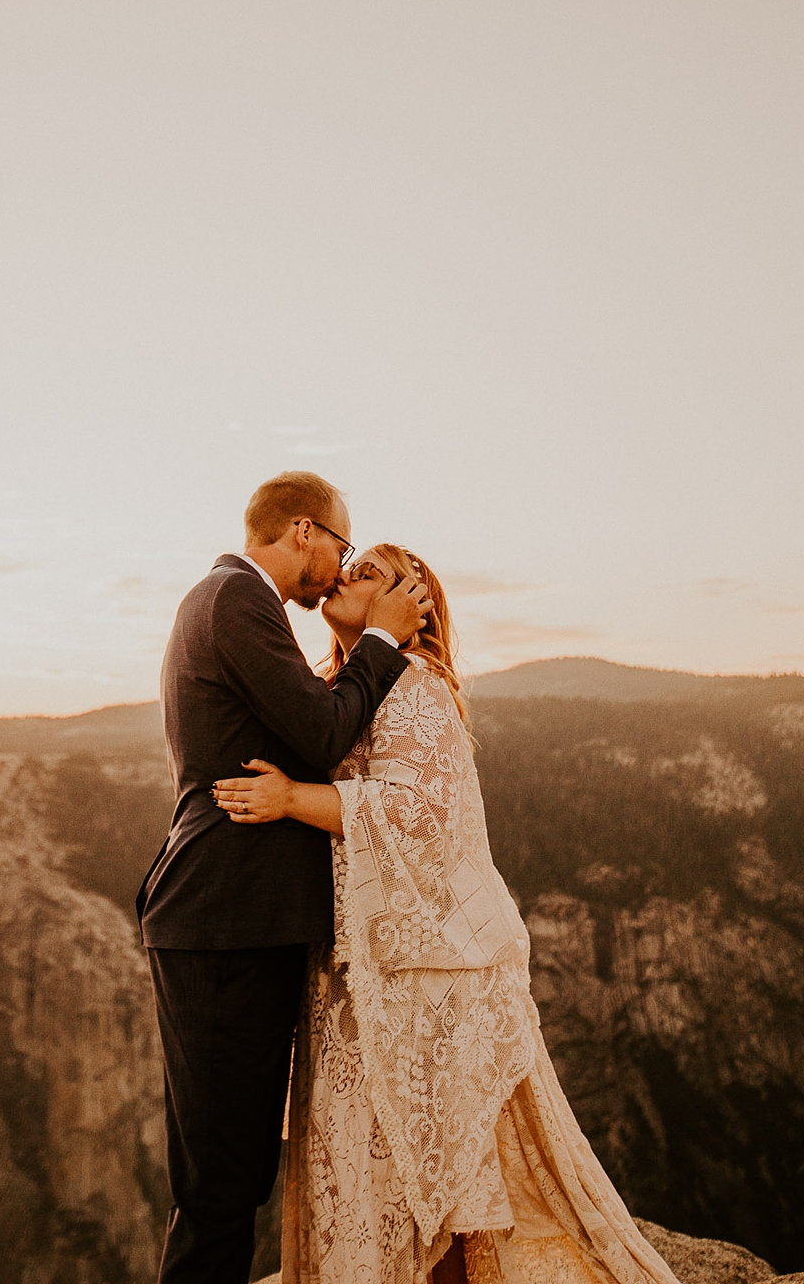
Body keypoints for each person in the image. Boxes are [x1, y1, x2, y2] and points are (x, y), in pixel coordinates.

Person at [213, 546, 683, 1284]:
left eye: (366, 572)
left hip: (429, 984)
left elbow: (419, 814)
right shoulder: (333, 691)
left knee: (436, 1194)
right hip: (360, 977)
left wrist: (291, 800)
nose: (343, 575)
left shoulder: (416, 686)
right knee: (372, 1182)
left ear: (410, 603)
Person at [137, 474, 431, 1284]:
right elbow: (324, 730)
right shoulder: (235, 600)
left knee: (229, 1179)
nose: (339, 569)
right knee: (219, 1188)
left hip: (232, 924)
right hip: (223, 923)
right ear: (304, 531)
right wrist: (382, 640)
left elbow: (300, 737)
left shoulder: (229, 602)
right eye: (340, 546)